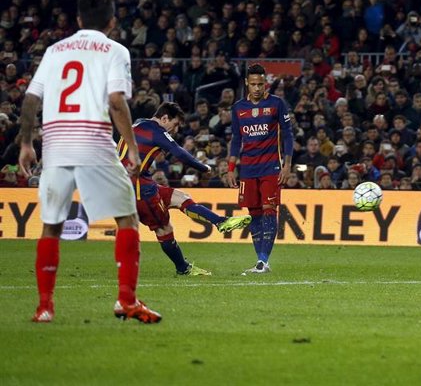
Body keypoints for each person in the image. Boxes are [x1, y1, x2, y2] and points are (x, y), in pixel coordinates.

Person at [18, 0, 161, 323]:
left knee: (51, 225)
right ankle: (126, 301)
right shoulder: (115, 50)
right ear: (112, 22)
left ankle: (44, 308)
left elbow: (29, 99)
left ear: (79, 21)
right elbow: (115, 100)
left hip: (55, 145)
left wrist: (26, 143)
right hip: (94, 141)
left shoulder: (55, 50)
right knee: (127, 218)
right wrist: (132, 147)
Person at [119, 102, 252, 276]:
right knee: (164, 229)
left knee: (180, 197)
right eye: (174, 125)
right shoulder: (157, 131)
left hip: (133, 182)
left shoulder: (138, 123)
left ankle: (220, 221)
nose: (174, 130)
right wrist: (204, 167)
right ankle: (183, 268)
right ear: (164, 118)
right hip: (138, 189)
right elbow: (179, 152)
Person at [229, 64, 295, 274]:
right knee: (254, 214)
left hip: (271, 167)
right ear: (247, 83)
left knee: (269, 211)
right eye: (253, 84)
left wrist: (287, 164)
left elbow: (288, 135)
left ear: (265, 83)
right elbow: (236, 138)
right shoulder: (238, 108)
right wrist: (231, 167)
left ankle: (263, 260)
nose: (257, 88)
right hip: (248, 169)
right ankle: (260, 260)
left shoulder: (277, 104)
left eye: (261, 84)